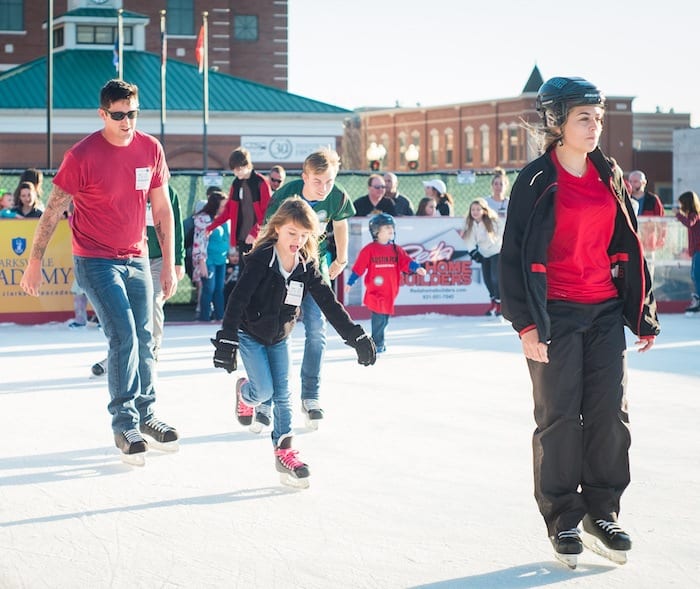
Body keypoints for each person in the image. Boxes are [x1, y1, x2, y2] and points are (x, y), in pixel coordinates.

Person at [500, 76, 660, 569]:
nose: (595, 126)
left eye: (598, 117)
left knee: (610, 413)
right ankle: (564, 517)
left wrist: (643, 312)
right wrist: (526, 325)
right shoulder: (534, 179)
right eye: (583, 118)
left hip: (605, 309)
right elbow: (512, 256)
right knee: (560, 418)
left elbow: (627, 242)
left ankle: (602, 512)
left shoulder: (607, 172)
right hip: (555, 314)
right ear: (557, 123)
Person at [20, 79, 179, 467]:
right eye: (119, 115)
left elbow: (161, 210)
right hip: (94, 259)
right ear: (103, 114)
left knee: (145, 337)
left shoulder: (150, 149)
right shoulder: (83, 155)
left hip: (137, 257)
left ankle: (148, 414)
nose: (127, 122)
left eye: (133, 114)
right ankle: (124, 423)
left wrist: (173, 263)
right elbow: (54, 209)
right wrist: (35, 261)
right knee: (123, 334)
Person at [210, 197, 375, 487]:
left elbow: (329, 302)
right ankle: (244, 393)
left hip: (280, 337)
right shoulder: (261, 259)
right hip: (251, 334)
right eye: (291, 233)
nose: (297, 241)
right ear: (277, 229)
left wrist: (355, 336)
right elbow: (237, 299)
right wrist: (227, 340)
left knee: (283, 395)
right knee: (263, 392)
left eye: (303, 235)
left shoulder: (306, 265)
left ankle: (284, 452)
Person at [258, 148, 355, 431]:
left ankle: (311, 395)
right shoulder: (287, 195)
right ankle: (267, 397)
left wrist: (341, 258)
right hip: (284, 267)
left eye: (329, 181)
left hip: (315, 268)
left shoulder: (337, 196)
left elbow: (340, 225)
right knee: (275, 329)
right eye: (317, 181)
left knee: (316, 330)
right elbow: (267, 230)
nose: (324, 188)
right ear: (305, 177)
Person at [91, 185, 186, 375]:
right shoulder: (129, 188)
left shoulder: (169, 192)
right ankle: (119, 355)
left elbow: (176, 228)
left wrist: (177, 261)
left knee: (154, 300)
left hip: (160, 258)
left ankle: (152, 353)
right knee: (127, 308)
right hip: (133, 257)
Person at [344, 213, 426, 353]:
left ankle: (379, 341)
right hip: (375, 291)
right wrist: (350, 282)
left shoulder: (396, 249)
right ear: (376, 231)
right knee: (379, 317)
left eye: (392, 227)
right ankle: (377, 343)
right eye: (387, 227)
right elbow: (359, 267)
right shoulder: (369, 249)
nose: (391, 230)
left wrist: (416, 268)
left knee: (384, 318)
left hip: (390, 291)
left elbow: (406, 261)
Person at [208, 147, 271, 275]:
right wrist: (211, 227)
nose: (236, 173)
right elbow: (229, 210)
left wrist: (255, 232)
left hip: (259, 239)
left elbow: (268, 212)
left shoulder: (261, 182)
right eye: (234, 170)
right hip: (242, 239)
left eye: (238, 169)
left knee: (258, 275)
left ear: (247, 165)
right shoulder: (236, 184)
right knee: (243, 276)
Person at [461, 198, 503, 316]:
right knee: (487, 280)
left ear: (484, 210)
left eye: (478, 209)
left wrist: (493, 248)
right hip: (484, 254)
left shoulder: (493, 221)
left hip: (495, 252)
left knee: (495, 279)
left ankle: (500, 304)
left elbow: (499, 236)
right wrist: (473, 251)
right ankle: (493, 302)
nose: (475, 212)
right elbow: (469, 240)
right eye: (473, 209)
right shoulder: (470, 224)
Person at [193, 190, 229, 322]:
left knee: (219, 289)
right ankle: (204, 318)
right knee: (209, 288)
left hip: (221, 260)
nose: (225, 208)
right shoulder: (203, 220)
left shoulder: (224, 219)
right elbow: (199, 242)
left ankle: (220, 317)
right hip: (208, 260)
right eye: (222, 205)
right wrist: (202, 263)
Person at [628, 169, 666, 282]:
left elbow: (662, 222)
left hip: (648, 243)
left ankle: (648, 296)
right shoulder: (626, 199)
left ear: (644, 183)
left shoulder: (653, 200)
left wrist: (661, 238)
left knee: (649, 271)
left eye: (635, 181)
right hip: (630, 243)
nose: (632, 184)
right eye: (630, 181)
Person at [673, 191, 700, 315]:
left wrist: (678, 214)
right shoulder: (692, 215)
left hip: (698, 250)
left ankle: (698, 298)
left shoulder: (695, 214)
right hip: (695, 250)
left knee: (696, 274)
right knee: (694, 274)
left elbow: (689, 223)